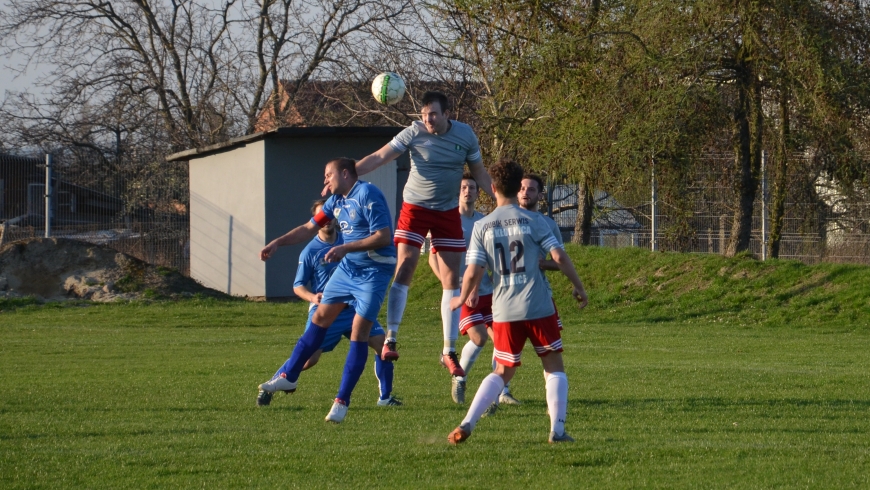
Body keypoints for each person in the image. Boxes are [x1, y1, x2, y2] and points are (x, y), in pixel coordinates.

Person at [446, 158, 588, 445]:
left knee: (501, 370)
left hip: (503, 310)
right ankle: (557, 431)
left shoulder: (483, 226)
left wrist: (461, 297)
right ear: (516, 186)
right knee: (553, 365)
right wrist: (578, 286)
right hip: (537, 305)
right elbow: (559, 257)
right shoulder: (535, 220)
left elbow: (473, 270)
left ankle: (467, 422)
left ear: (493, 187)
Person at [352, 91, 493, 379]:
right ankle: (391, 337)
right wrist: (347, 174)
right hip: (414, 208)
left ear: (447, 114)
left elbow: (479, 172)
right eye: (424, 113)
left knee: (452, 279)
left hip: (446, 211)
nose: (427, 119)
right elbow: (380, 156)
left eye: (433, 114)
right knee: (404, 268)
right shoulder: (413, 132)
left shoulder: (466, 135)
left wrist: (502, 202)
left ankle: (448, 351)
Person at [258, 157, 397, 423]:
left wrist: (345, 248)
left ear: (345, 174)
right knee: (320, 316)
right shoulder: (336, 202)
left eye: (328, 174)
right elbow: (309, 228)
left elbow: (383, 236)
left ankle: (342, 402)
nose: (325, 180)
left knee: (360, 333)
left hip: (373, 272)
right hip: (348, 270)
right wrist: (278, 242)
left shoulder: (368, 194)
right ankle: (289, 377)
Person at [481, 173, 566, 415]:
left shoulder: (546, 223)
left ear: (540, 195)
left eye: (531, 189)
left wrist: (541, 264)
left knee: (549, 354)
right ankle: (496, 397)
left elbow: (559, 260)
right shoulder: (499, 221)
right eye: (521, 188)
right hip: (506, 297)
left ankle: (554, 404)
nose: (525, 192)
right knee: (502, 351)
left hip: (539, 298)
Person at [427, 173, 494, 404]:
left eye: (472, 187)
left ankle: (501, 392)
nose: (468, 191)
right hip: (461, 294)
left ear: (478, 192)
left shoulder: (484, 221)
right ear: (458, 191)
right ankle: (460, 378)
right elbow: (432, 258)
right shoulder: (447, 220)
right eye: (464, 187)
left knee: (503, 341)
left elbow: (486, 257)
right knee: (479, 338)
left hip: (487, 290)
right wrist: (450, 284)